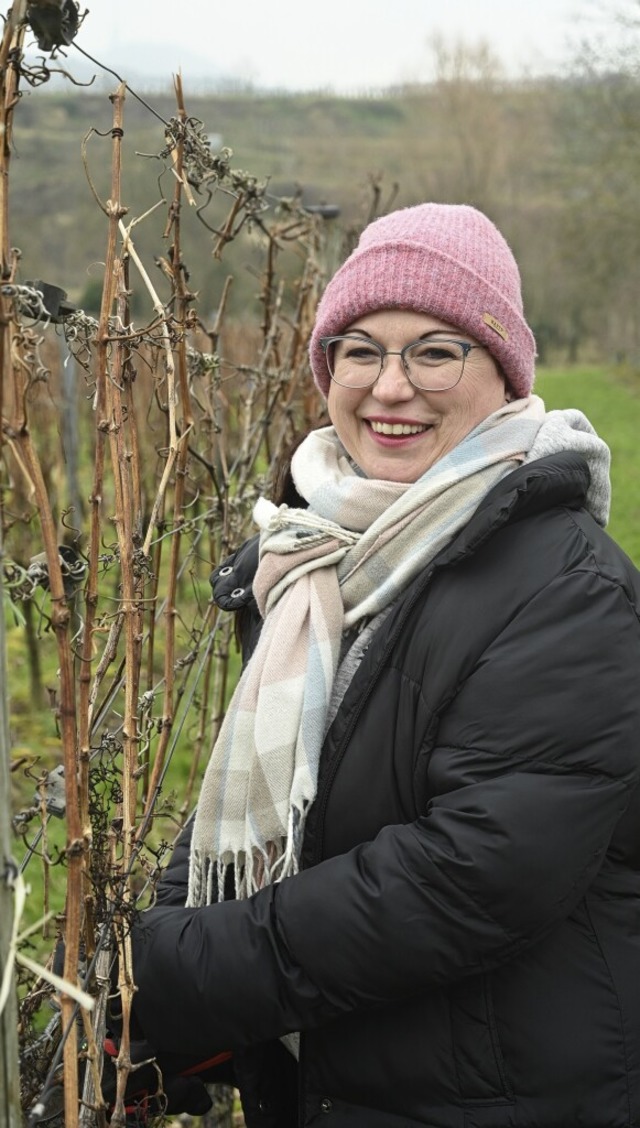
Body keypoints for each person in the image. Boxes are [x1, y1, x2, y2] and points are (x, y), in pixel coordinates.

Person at [125, 203, 640, 1128]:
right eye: (359, 350)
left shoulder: (569, 587)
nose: (389, 386)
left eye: (436, 351)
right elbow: (257, 808)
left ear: (505, 373)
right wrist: (167, 942)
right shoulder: (309, 560)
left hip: (503, 1093)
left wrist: (189, 970)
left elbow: (472, 876)